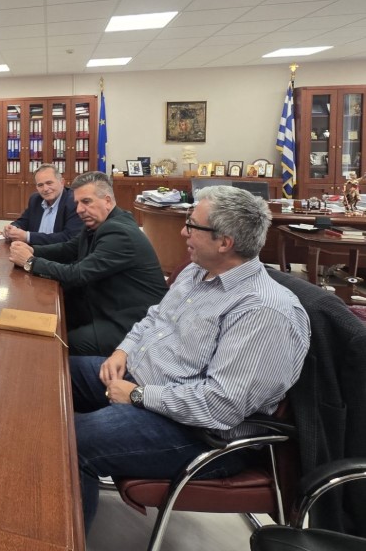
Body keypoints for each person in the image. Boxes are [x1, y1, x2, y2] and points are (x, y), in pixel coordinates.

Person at [68, 186, 310, 533]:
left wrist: (137, 395)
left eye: (192, 225)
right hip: (142, 382)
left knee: (72, 439)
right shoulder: (197, 271)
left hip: (198, 432)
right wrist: (123, 351)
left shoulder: (263, 311)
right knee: (53, 377)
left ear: (224, 242)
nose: (183, 232)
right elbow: (154, 317)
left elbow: (220, 405)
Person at [8, 170, 167, 355]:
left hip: (129, 322)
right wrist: (32, 250)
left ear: (107, 201)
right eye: (77, 203)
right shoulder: (100, 223)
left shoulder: (120, 233)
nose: (79, 210)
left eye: (86, 201)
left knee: (56, 344)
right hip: (102, 306)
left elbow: (78, 274)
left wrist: (30, 261)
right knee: (45, 319)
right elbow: (68, 248)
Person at [2, 164, 82, 245]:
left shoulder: (74, 202)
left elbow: (69, 237)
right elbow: (24, 221)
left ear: (62, 182)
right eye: (40, 185)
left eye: (49, 183)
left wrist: (28, 237)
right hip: (32, 250)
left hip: (58, 252)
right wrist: (13, 227)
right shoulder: (35, 199)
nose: (45, 189)